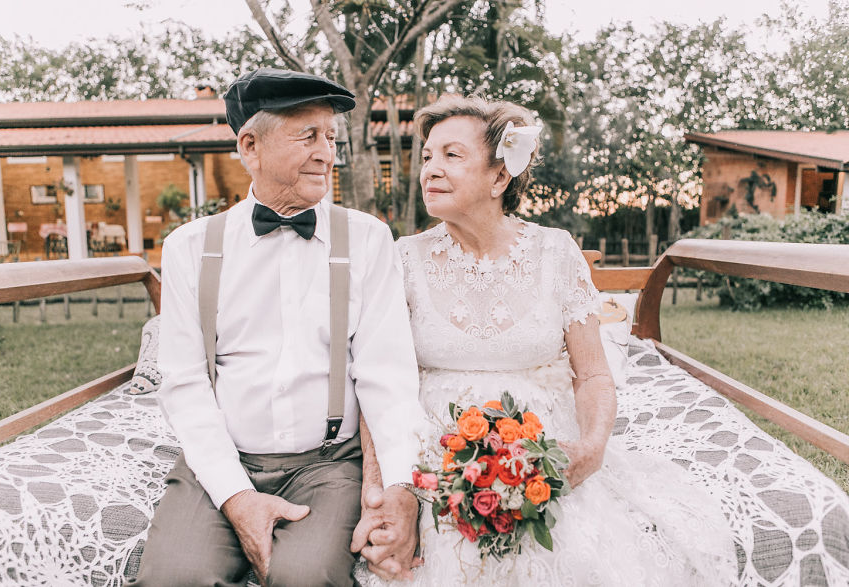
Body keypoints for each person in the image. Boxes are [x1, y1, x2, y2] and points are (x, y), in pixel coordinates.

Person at [354, 95, 738, 585]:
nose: (430, 168)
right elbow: (378, 381)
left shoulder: (556, 252)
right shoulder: (402, 258)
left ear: (499, 178)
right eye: (427, 156)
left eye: (451, 155)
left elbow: (593, 373)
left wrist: (592, 447)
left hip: (540, 450)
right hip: (433, 455)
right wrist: (388, 490)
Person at [132, 68, 425, 587]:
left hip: (329, 465)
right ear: (250, 146)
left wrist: (400, 486)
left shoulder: (368, 239)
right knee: (174, 576)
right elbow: (184, 384)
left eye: (330, 138)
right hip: (224, 459)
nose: (326, 153)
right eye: (307, 136)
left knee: (305, 578)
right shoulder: (190, 247)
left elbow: (387, 375)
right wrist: (236, 495)